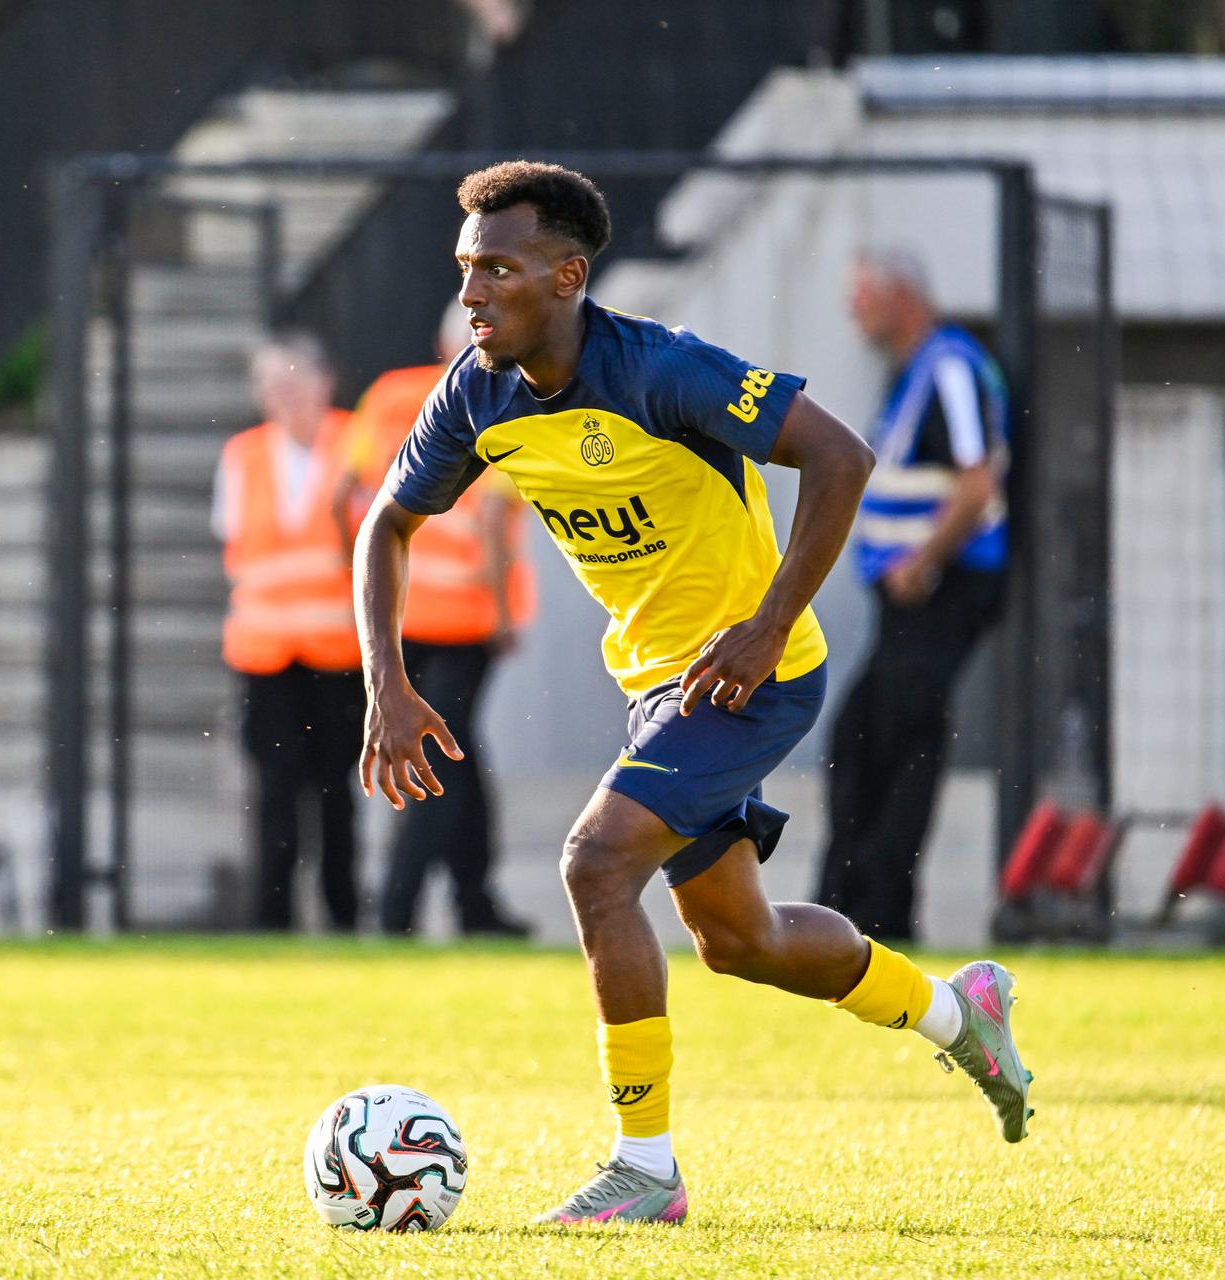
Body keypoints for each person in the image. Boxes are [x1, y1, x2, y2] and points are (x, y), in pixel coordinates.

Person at [353, 163, 1034, 1226]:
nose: (472, 292)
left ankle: (645, 1169)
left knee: (594, 862)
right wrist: (386, 683)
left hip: (750, 674)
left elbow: (840, 458)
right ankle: (960, 1012)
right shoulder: (475, 393)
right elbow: (385, 526)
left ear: (568, 276)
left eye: (497, 269)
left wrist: (768, 624)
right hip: (655, 686)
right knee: (740, 941)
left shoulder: (663, 369)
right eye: (465, 268)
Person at [815, 251, 1010, 943]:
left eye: (862, 294)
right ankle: (849, 902)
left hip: (941, 589)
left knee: (896, 739)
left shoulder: (949, 366)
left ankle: (874, 909)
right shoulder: (912, 370)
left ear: (902, 296)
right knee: (864, 737)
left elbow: (977, 483)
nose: (853, 309)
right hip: (909, 598)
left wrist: (924, 562)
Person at [336, 300, 536, 938]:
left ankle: (477, 903)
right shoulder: (498, 396)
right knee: (442, 753)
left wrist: (355, 581)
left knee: (457, 750)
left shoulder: (389, 394)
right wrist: (502, 613)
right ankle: (398, 910)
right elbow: (493, 520)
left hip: (396, 609)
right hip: (463, 618)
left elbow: (346, 494)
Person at [213, 333, 364, 931]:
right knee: (274, 791)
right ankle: (270, 920)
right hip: (265, 654)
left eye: (296, 380)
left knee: (336, 791)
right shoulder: (243, 455)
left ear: (326, 383)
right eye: (273, 384)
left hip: (336, 652)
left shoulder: (357, 441)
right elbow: (236, 545)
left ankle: (342, 915)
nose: (285, 395)